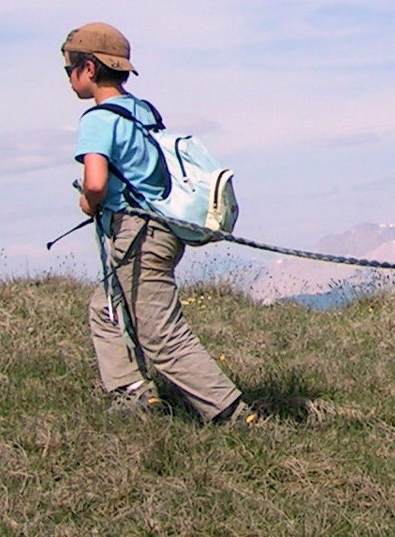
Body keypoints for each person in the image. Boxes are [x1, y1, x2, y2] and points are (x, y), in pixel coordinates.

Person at [62, 21, 255, 425]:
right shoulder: (143, 110)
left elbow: (96, 182)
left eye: (69, 69)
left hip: (137, 233)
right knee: (106, 309)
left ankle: (232, 414)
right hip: (163, 229)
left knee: (161, 334)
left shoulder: (96, 119)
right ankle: (133, 393)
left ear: (90, 69)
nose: (68, 79)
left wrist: (87, 200)